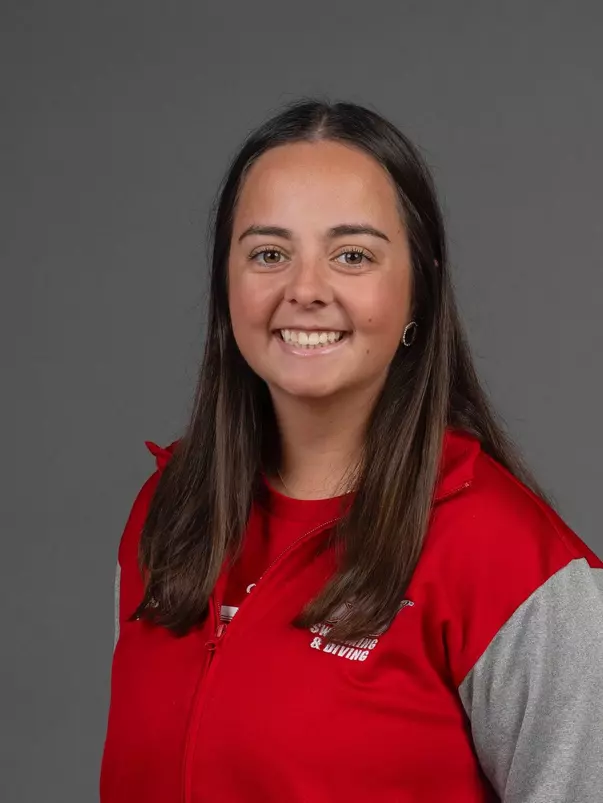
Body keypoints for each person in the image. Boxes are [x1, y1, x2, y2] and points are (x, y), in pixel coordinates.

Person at [100, 99, 603, 803]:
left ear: (417, 287)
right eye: (268, 253)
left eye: (352, 255)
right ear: (226, 281)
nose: (305, 290)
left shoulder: (512, 564)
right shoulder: (168, 516)